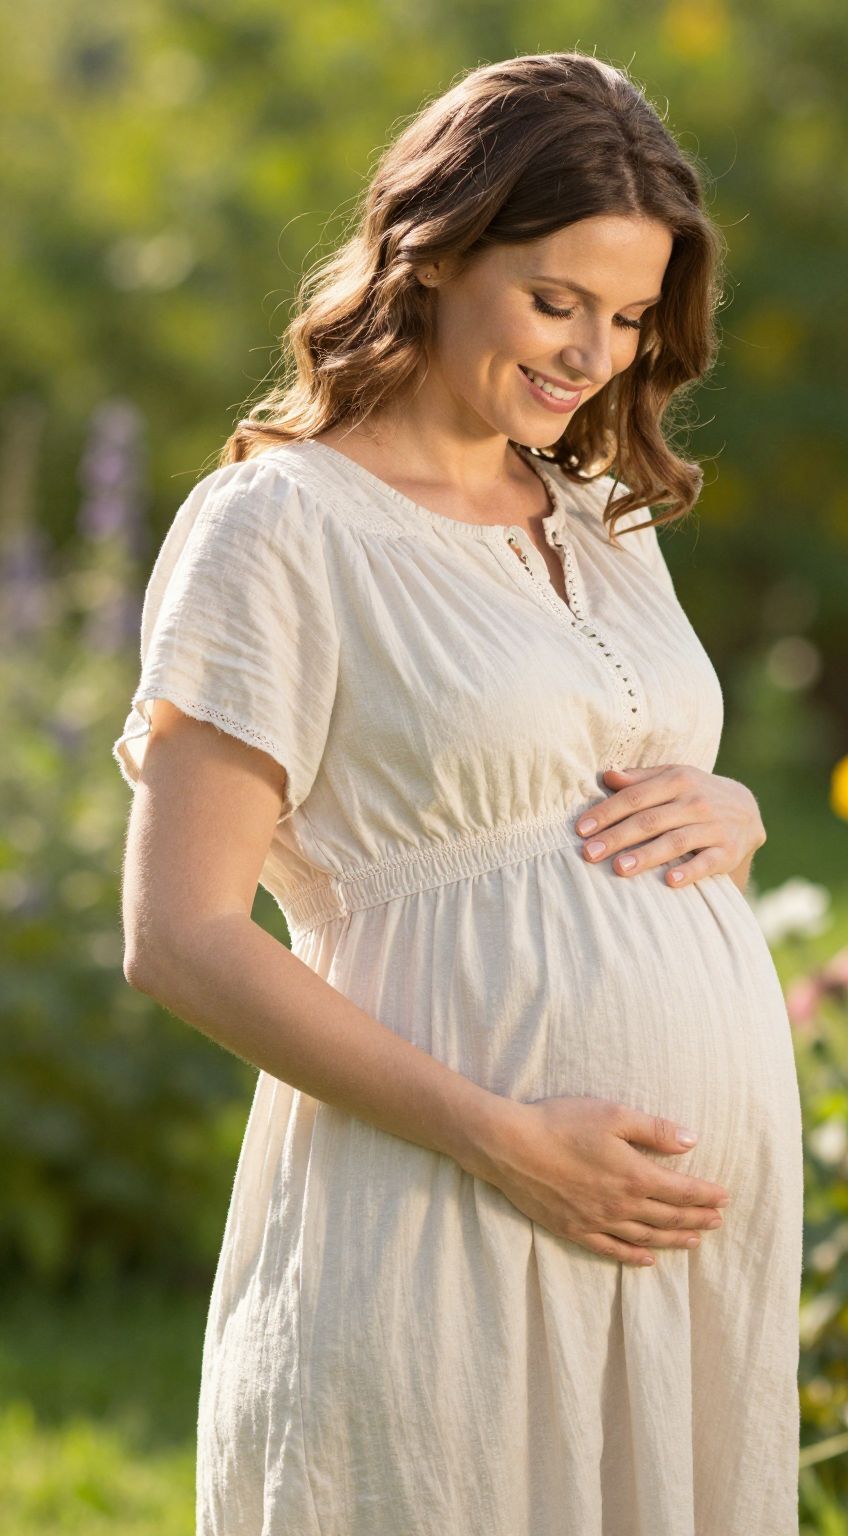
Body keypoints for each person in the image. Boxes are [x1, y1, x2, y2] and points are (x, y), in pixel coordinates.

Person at [111, 52, 802, 1535]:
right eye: (558, 301)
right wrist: (502, 1137)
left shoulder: (598, 512)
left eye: (627, 318)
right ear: (431, 256)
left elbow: (607, 764)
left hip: (670, 1260)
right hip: (445, 1207)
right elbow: (183, 933)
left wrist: (729, 808)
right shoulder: (280, 527)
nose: (593, 355)